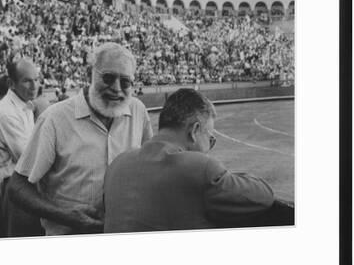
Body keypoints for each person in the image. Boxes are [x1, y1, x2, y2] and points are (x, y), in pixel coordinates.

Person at [8, 43, 153, 235]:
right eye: (108, 78)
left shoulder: (138, 111)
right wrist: (65, 216)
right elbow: (18, 186)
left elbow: (149, 168)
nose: (117, 89)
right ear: (89, 74)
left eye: (125, 82)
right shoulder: (54, 119)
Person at [103, 88, 275, 233]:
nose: (209, 147)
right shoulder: (201, 170)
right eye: (210, 139)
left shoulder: (117, 164)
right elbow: (264, 195)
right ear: (195, 130)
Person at [0, 59, 43, 237]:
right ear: (12, 83)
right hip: (12, 188)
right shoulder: (6, 114)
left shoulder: (24, 106)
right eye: (27, 81)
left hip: (22, 186)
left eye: (37, 79)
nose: (34, 86)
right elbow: (29, 158)